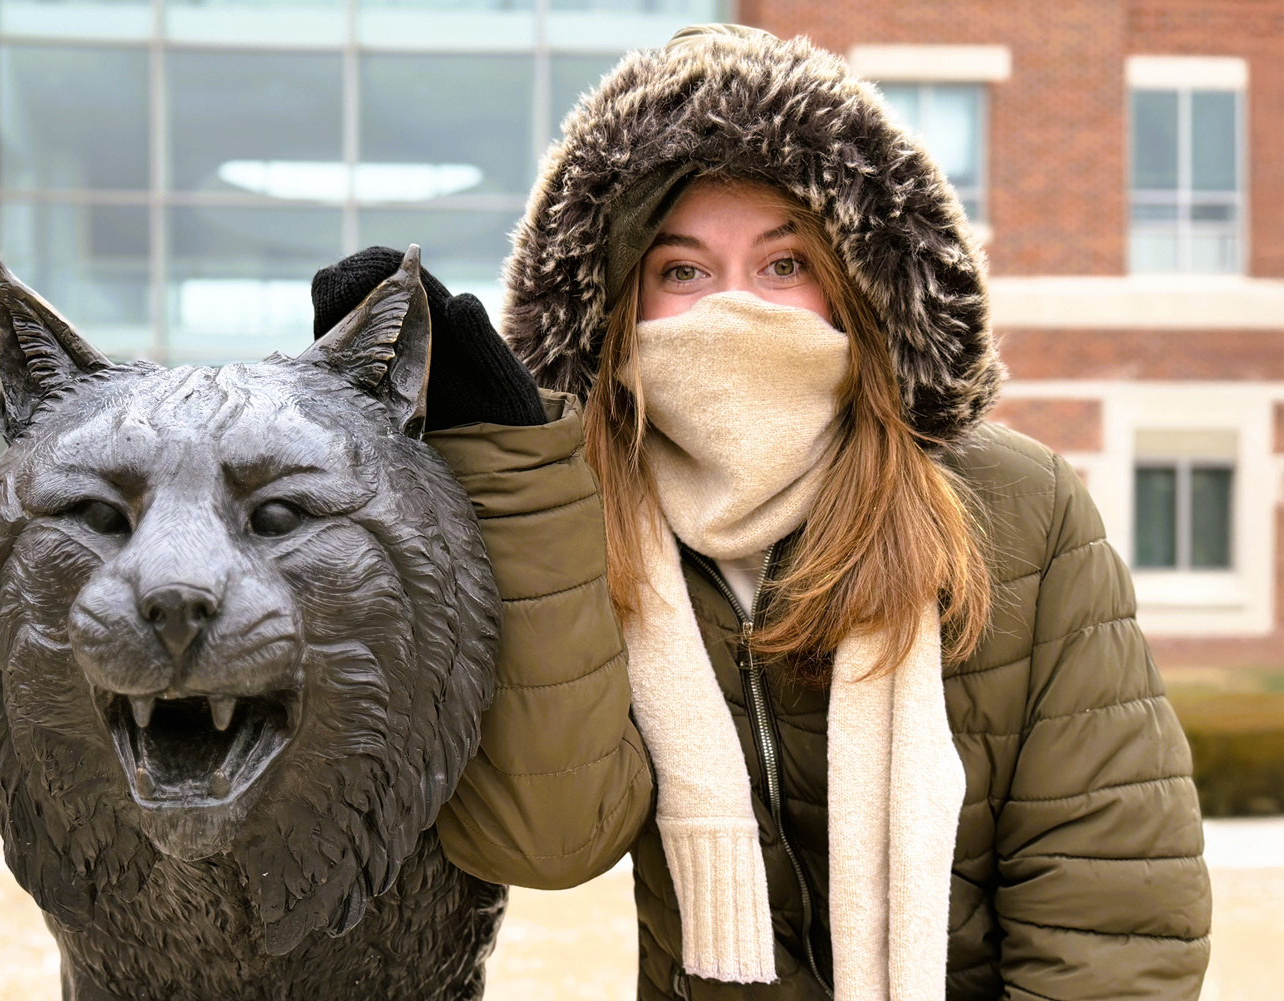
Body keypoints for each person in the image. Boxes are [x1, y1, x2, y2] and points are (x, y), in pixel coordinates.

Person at [310, 24, 1210, 1001]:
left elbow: (1113, 902)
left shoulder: (1017, 505)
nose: (736, 311)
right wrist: (512, 478)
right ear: (620, 310)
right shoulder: (583, 526)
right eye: (684, 271)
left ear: (856, 286)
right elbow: (549, 837)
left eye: (785, 264)